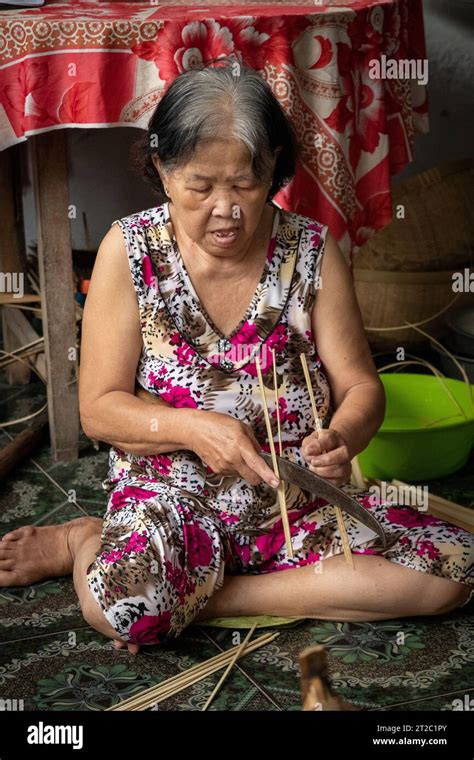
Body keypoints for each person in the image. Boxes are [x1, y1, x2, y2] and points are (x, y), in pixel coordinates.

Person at [1, 62, 471, 655]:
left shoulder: (312, 251)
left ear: (272, 166)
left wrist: (344, 438)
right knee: (113, 609)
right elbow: (98, 410)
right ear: (162, 171)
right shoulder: (131, 250)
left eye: (245, 184)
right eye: (200, 186)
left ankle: (214, 596)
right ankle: (86, 540)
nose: (226, 210)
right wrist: (196, 428)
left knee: (448, 574)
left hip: (293, 505)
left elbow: (362, 388)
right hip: (174, 501)